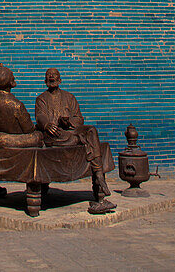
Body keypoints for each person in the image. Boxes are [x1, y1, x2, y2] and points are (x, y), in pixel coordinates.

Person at [35, 67, 115, 212]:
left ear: (60, 80)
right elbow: (40, 116)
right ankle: (98, 176)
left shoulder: (69, 97)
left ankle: (99, 176)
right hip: (55, 135)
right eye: (49, 75)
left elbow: (79, 119)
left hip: (71, 132)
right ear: (45, 80)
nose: (52, 77)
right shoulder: (41, 99)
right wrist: (47, 124)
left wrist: (69, 121)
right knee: (74, 139)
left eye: (55, 75)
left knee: (90, 131)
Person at [0, 61, 43, 147]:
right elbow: (29, 129)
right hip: (13, 138)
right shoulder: (16, 105)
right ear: (12, 83)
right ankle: (5, 140)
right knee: (38, 136)